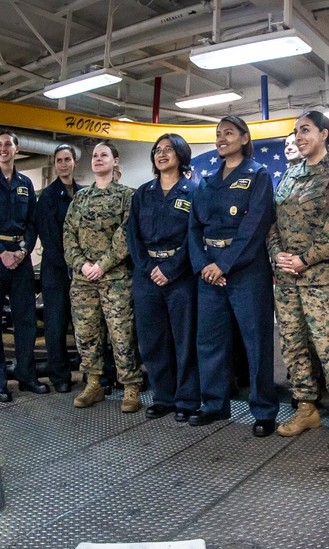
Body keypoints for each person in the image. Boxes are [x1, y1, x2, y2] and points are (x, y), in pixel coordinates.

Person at [268, 111, 329, 451]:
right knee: (293, 344)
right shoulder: (289, 176)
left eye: (305, 130)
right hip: (288, 278)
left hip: (325, 280)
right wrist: (277, 253)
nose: (299, 136)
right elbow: (273, 222)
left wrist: (304, 258)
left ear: (324, 134)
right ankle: (306, 407)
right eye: (296, 132)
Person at [188, 115, 278, 437]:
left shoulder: (258, 175)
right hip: (209, 271)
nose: (221, 138)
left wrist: (223, 265)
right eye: (218, 134)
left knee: (257, 343)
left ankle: (264, 410)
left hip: (245, 271)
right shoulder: (207, 182)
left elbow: (255, 226)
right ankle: (213, 404)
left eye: (228, 132)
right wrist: (203, 265)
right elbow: (194, 227)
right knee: (209, 341)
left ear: (244, 138)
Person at [63, 141, 141, 414]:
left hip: (115, 278)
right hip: (84, 280)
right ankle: (93, 383)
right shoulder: (80, 198)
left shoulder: (126, 196)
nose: (97, 159)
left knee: (122, 335)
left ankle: (131, 386)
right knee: (86, 335)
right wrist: (82, 265)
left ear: (115, 161)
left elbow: (126, 234)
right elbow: (68, 234)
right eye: (94, 155)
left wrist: (102, 264)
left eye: (103, 155)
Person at [127, 134, 200, 422]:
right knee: (152, 341)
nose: (162, 154)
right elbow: (132, 236)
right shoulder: (143, 193)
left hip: (180, 276)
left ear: (181, 154)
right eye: (157, 150)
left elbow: (194, 235)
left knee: (184, 340)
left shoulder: (193, 191)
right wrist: (148, 267)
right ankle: (163, 397)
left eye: (169, 149)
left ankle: (186, 399)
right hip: (147, 276)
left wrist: (171, 269)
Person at [0, 130, 49, 402]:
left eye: (8, 145)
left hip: (21, 257)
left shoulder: (25, 184)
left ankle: (27, 376)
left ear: (17, 150)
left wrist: (24, 249)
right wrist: (2, 252)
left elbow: (32, 222)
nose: (3, 149)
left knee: (26, 319)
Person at [35, 144, 83, 394]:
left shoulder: (84, 193)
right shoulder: (48, 196)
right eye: (59, 161)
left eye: (67, 159)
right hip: (57, 270)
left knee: (85, 324)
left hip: (82, 271)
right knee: (56, 325)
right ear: (55, 165)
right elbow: (50, 237)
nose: (63, 164)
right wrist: (69, 265)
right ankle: (59, 375)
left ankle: (90, 373)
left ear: (75, 162)